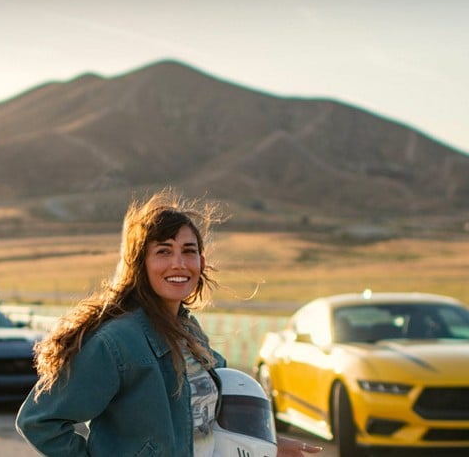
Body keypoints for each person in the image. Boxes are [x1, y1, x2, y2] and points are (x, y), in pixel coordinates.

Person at [16, 190, 319, 456]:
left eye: (189, 251)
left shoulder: (190, 333)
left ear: (201, 261)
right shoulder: (117, 342)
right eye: (163, 251)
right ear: (140, 264)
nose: (179, 263)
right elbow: (39, 420)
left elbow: (209, 418)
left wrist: (271, 445)